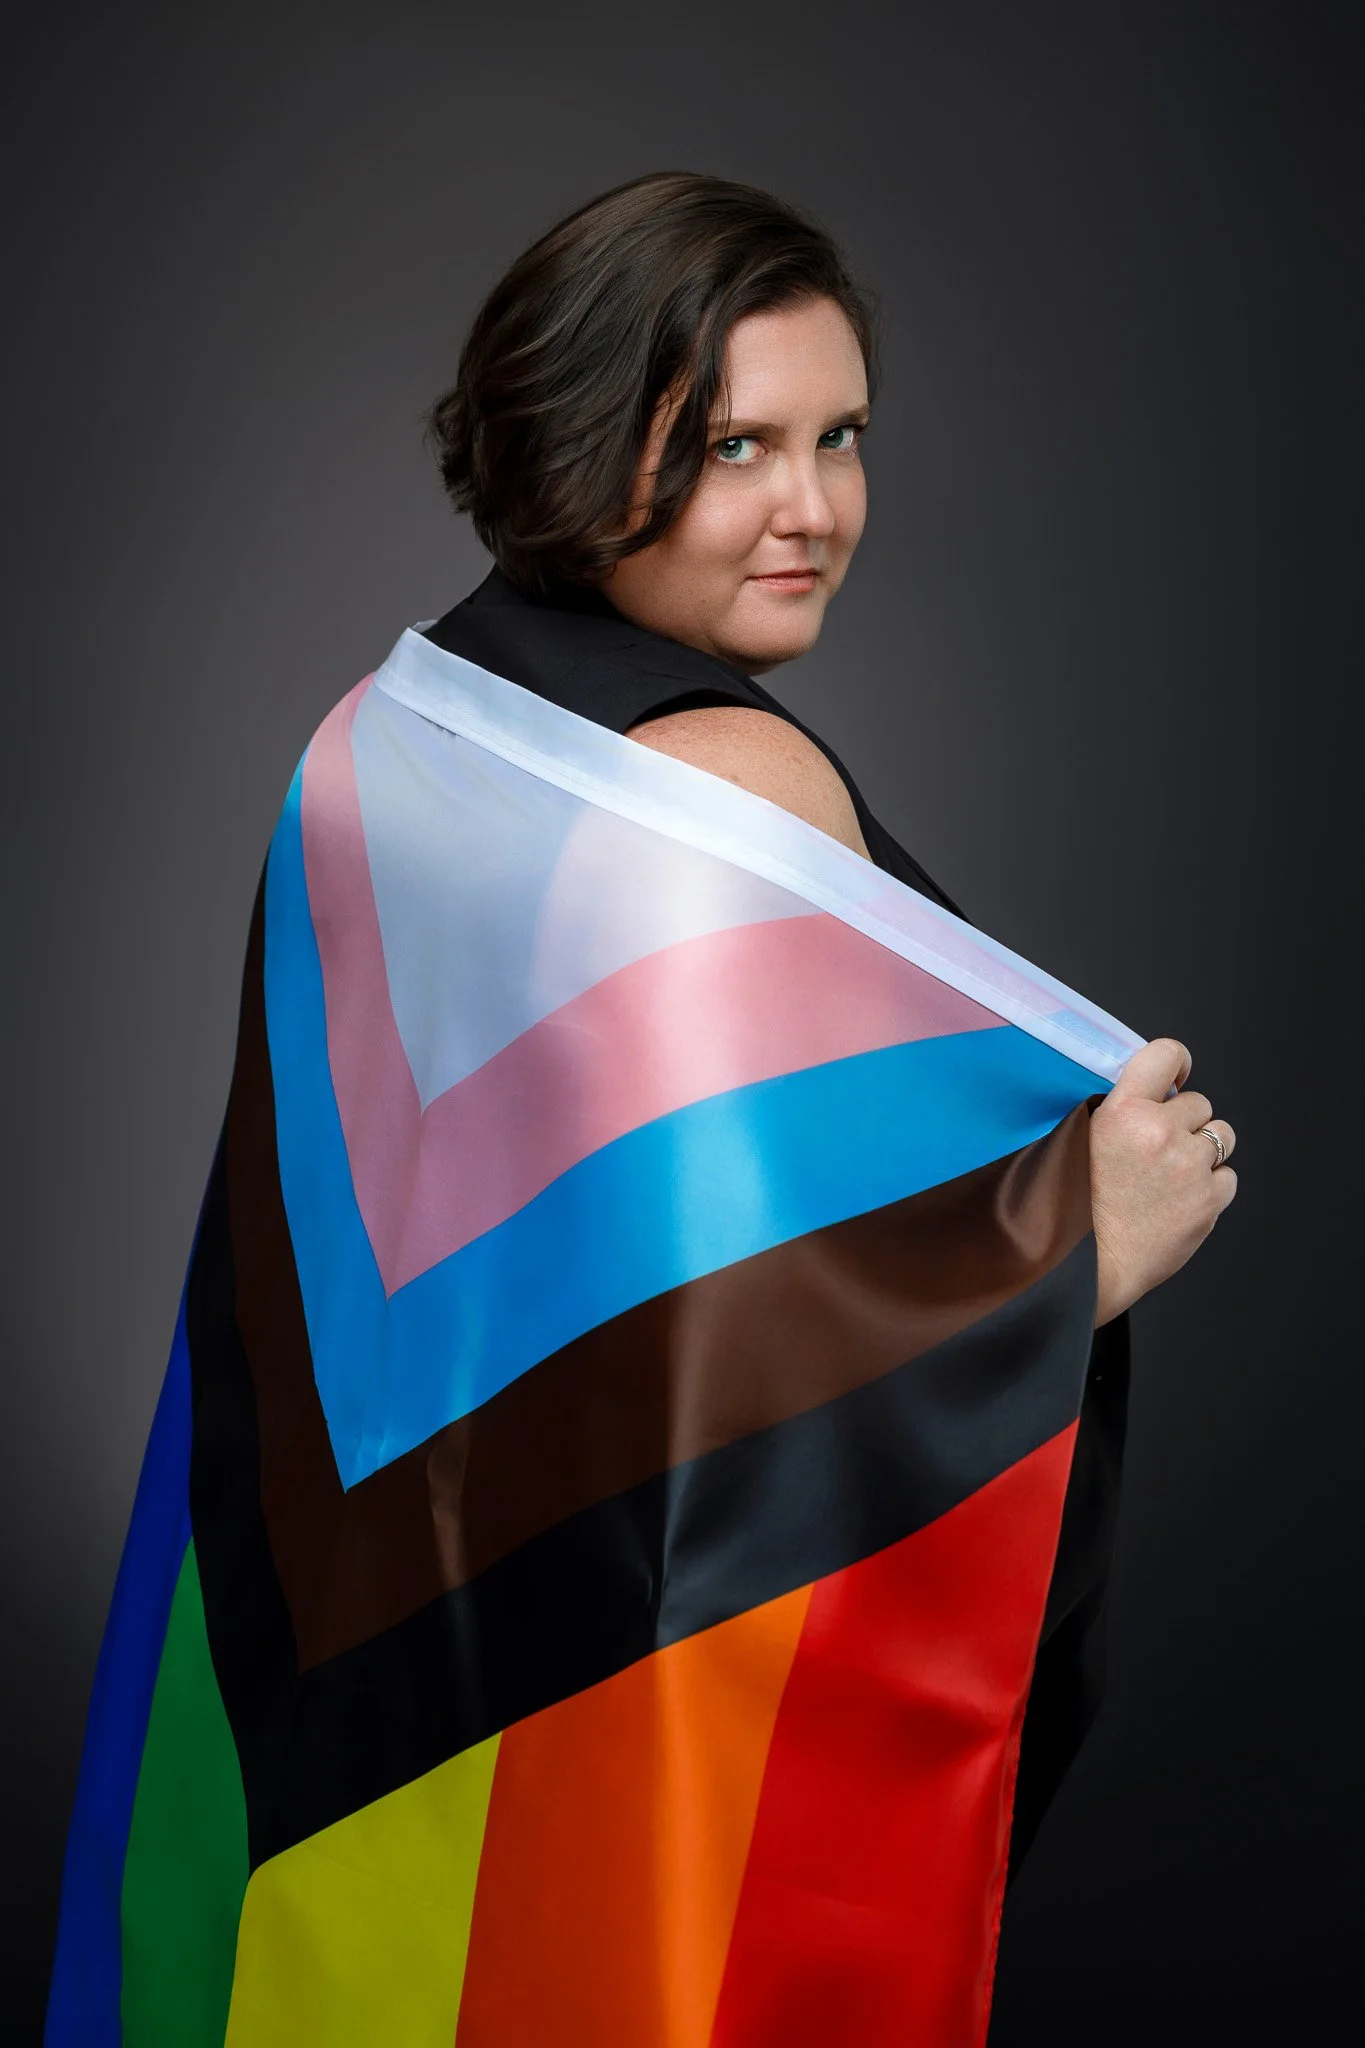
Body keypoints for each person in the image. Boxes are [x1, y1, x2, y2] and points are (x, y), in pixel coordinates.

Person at [46, 171, 1238, 2048]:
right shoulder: (727, 787)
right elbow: (742, 1361)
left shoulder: (382, 737)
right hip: (607, 1665)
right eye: (736, 445)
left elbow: (469, 1294)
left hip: (383, 1626)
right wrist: (1063, 1264)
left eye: (841, 437)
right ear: (588, 432)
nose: (816, 511)